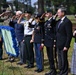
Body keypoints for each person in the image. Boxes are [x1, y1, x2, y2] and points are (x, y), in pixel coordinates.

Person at [56, 8, 72, 75]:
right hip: (58, 43)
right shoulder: (59, 21)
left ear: (63, 13)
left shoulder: (67, 21)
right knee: (59, 58)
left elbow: (69, 35)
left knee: (64, 58)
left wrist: (66, 45)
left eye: (58, 12)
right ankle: (61, 70)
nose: (57, 14)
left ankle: (65, 72)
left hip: (64, 44)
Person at [44, 10, 57, 75]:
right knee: (49, 56)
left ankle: (54, 70)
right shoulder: (47, 21)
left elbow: (54, 31)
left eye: (47, 13)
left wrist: (54, 41)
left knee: (52, 56)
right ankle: (52, 69)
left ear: (50, 14)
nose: (46, 14)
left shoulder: (53, 21)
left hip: (51, 40)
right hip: (47, 41)